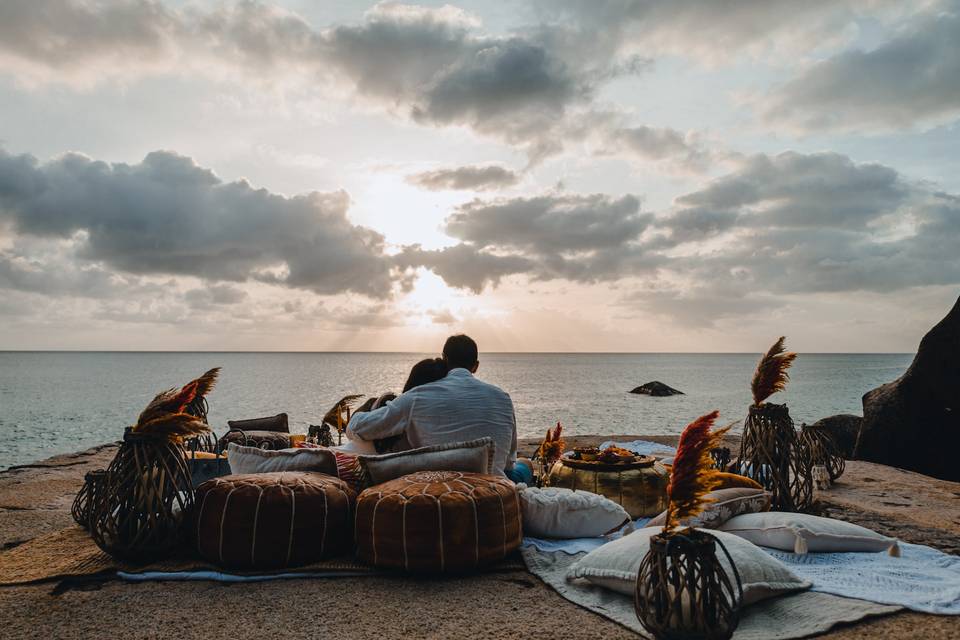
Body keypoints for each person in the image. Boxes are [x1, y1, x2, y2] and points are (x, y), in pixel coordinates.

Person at [347, 334, 532, 482]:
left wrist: (366, 406)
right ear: (475, 366)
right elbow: (508, 464)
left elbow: (356, 428)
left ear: (445, 359)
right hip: (495, 491)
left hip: (441, 489)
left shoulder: (417, 397)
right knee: (525, 465)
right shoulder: (503, 398)